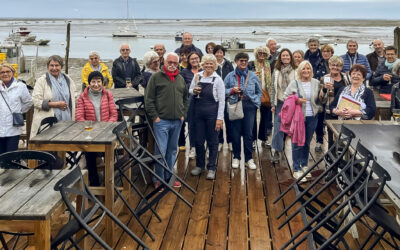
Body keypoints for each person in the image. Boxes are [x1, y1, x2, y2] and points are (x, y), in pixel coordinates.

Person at [145, 52, 188, 188]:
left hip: (177, 121)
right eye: (170, 62)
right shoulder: (156, 77)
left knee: (172, 151)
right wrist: (155, 117)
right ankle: (158, 179)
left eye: (175, 63)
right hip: (161, 121)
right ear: (164, 62)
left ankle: (169, 177)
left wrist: (183, 114)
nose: (172, 65)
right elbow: (149, 99)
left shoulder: (180, 79)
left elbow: (186, 98)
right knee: (161, 151)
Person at [76, 71, 118, 186]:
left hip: (106, 131)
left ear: (102, 82)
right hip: (90, 133)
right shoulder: (82, 97)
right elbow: (79, 118)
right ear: (89, 83)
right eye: (93, 82)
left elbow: (114, 114)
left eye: (98, 81)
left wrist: (105, 127)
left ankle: (108, 182)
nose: (96, 84)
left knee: (111, 153)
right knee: (90, 154)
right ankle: (94, 183)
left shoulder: (108, 95)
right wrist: (92, 128)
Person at [283, 60, 322, 179]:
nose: (306, 71)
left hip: (313, 116)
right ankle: (296, 168)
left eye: (308, 68)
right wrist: (296, 100)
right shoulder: (294, 83)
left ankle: (304, 164)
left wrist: (325, 92)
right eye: (304, 69)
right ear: (300, 70)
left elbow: (321, 100)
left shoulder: (316, 82)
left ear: (311, 70)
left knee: (307, 142)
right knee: (296, 142)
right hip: (299, 117)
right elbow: (285, 97)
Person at [189, 54, 225, 180]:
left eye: (211, 63)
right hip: (198, 113)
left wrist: (219, 119)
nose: (209, 65)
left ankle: (211, 168)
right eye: (206, 63)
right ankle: (200, 166)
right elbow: (190, 90)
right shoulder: (197, 76)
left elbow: (222, 101)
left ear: (215, 65)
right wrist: (194, 91)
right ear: (202, 64)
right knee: (198, 141)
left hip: (212, 113)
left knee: (212, 141)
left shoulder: (218, 80)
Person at [224, 53, 262, 169]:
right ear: (236, 61)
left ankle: (249, 158)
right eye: (241, 60)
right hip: (235, 104)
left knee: (248, 133)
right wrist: (232, 90)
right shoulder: (230, 76)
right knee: (235, 132)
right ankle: (236, 156)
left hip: (249, 106)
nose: (244, 62)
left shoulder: (253, 76)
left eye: (246, 60)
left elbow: (259, 92)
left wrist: (256, 102)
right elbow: (223, 91)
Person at [31, 55, 76, 138]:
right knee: (47, 146)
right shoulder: (42, 81)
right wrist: (56, 104)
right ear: (48, 66)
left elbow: (74, 98)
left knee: (64, 144)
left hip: (66, 119)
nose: (54, 68)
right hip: (47, 120)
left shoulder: (68, 80)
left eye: (57, 65)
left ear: (61, 66)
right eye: (51, 65)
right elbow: (36, 101)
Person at [270, 48, 296, 163]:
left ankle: (296, 151)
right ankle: (277, 150)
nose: (285, 58)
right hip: (280, 102)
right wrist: (273, 104)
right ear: (280, 58)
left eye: (287, 56)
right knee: (277, 127)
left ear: (291, 57)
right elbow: (273, 88)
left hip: (293, 102)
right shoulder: (276, 71)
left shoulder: (296, 70)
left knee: (294, 127)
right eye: (283, 56)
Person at [0, 63, 32, 154]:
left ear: (13, 73)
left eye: (8, 71)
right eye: (2, 72)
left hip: (13, 128)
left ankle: (11, 168)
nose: (5, 74)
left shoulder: (20, 86)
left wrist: (19, 111)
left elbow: (28, 102)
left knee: (11, 155)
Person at [319, 56, 350, 148]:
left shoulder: (346, 77)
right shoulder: (324, 78)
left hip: (344, 111)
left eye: (338, 65)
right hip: (330, 111)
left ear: (342, 67)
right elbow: (321, 99)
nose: (335, 68)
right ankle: (331, 159)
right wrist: (324, 89)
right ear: (329, 65)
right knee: (331, 138)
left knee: (344, 137)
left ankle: (342, 159)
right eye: (333, 65)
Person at [248, 46, 272, 147]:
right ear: (256, 54)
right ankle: (253, 139)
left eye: (264, 53)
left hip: (266, 93)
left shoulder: (269, 65)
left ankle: (264, 138)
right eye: (260, 53)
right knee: (252, 118)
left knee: (265, 118)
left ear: (267, 55)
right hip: (254, 94)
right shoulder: (251, 64)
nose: (262, 55)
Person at [179, 52, 202, 158]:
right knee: (192, 125)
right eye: (192, 59)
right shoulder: (184, 72)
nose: (194, 60)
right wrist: (192, 88)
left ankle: (202, 147)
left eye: (196, 58)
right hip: (191, 101)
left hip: (204, 101)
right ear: (188, 61)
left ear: (199, 59)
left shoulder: (204, 70)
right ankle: (193, 147)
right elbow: (182, 86)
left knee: (203, 126)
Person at [313, 44, 334, 152]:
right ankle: (319, 141)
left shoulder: (335, 63)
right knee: (319, 119)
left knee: (331, 118)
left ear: (332, 53)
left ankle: (333, 142)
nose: (326, 53)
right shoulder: (318, 63)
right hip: (320, 93)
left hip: (333, 96)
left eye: (328, 51)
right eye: (324, 51)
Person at [213, 45, 234, 151]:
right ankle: (220, 141)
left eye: (221, 52)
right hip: (216, 97)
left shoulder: (228, 64)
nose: (219, 54)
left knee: (229, 120)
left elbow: (233, 77)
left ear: (223, 54)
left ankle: (230, 141)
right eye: (217, 52)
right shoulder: (212, 64)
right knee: (218, 120)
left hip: (227, 96)